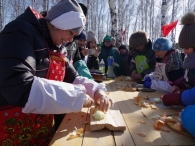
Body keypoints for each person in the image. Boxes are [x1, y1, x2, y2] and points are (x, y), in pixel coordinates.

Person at [0, 0, 112, 145]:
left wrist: (96, 91)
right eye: (71, 32)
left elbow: (73, 78)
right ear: (59, 23)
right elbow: (19, 86)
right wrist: (77, 97)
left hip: (42, 129)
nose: (71, 39)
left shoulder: (57, 46)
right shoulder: (19, 32)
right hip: (12, 127)